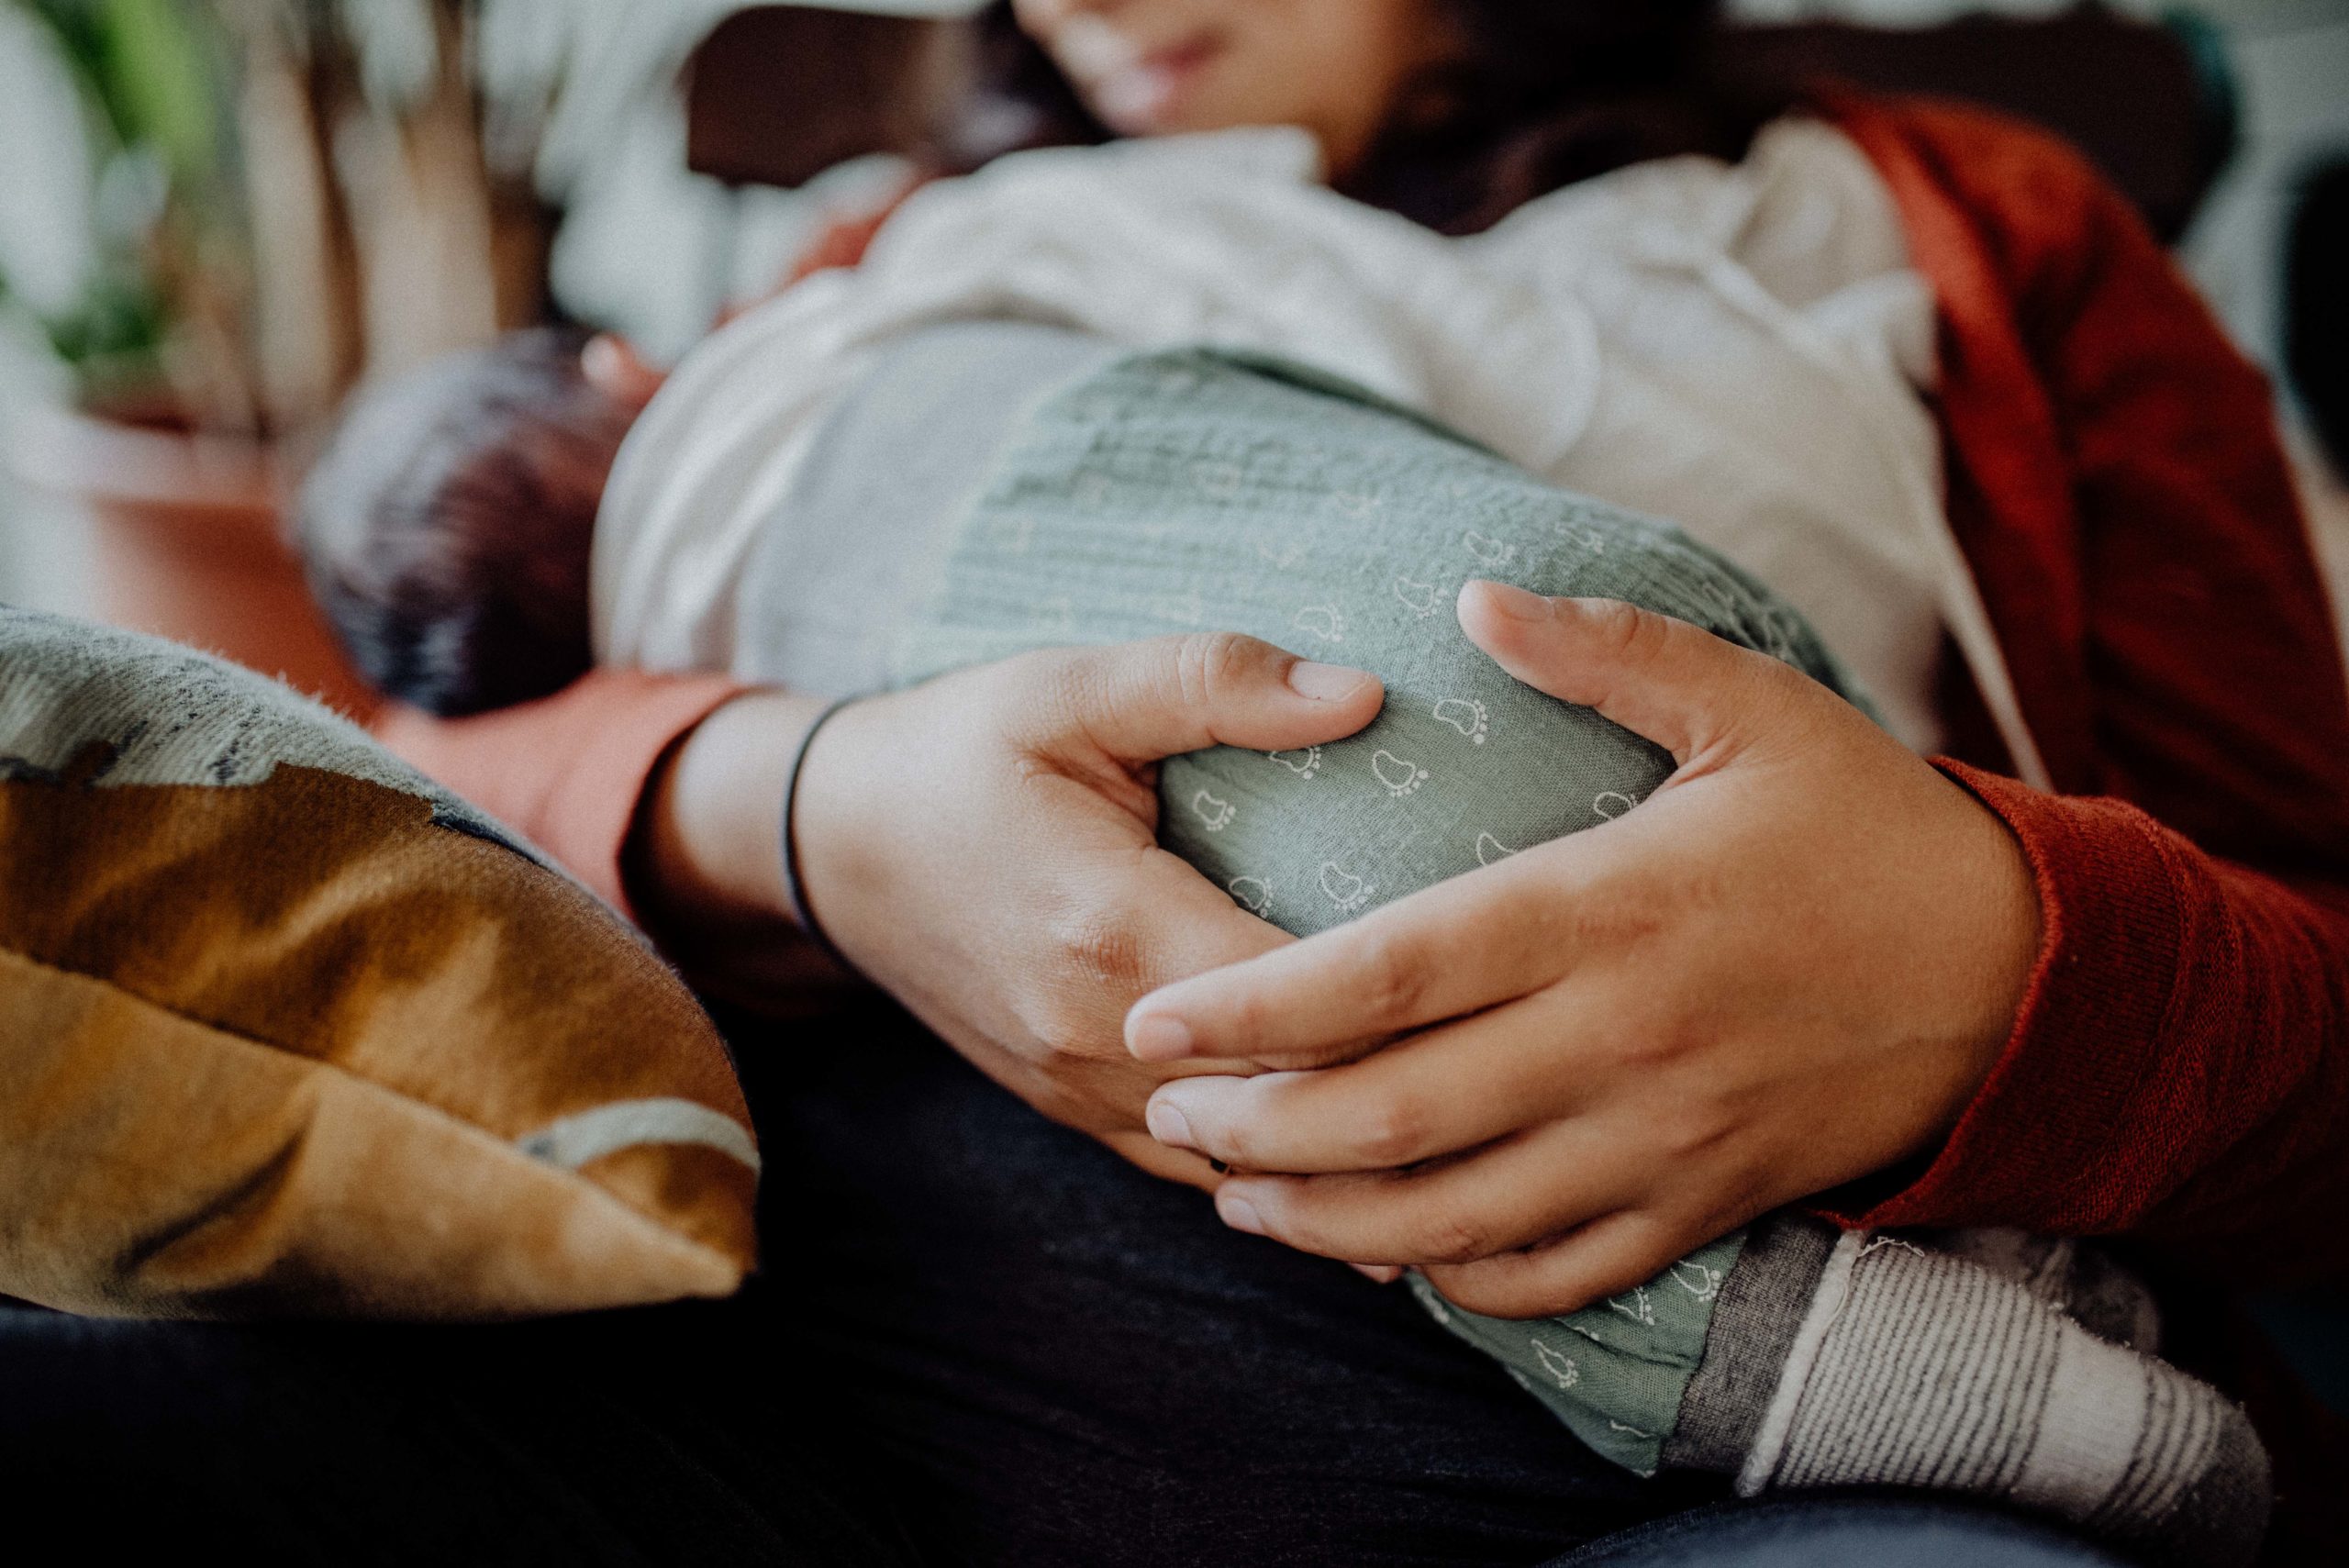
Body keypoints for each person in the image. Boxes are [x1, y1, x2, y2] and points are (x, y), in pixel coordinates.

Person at [10, 2, 2346, 1563]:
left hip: (1651, 1480)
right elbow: (426, 759)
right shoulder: (901, 269)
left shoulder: (1981, 246)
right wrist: (801, 807)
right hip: (766, 1367)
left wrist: (2005, 958)